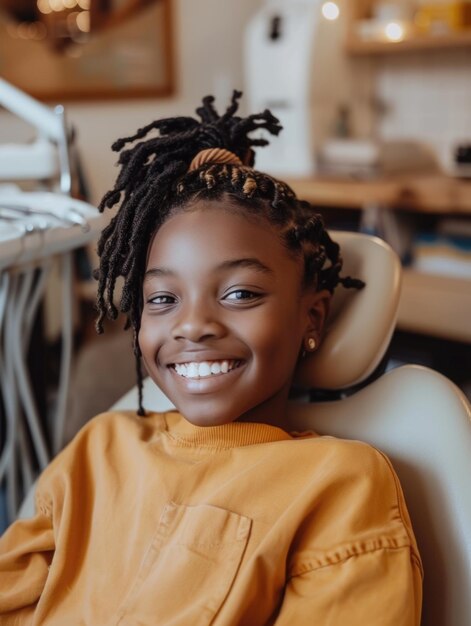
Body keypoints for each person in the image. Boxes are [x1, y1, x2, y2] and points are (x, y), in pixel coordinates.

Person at [0, 91, 423, 625]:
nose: (193, 324)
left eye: (240, 294)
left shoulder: (339, 486)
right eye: (162, 300)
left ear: (311, 318)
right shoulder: (98, 449)